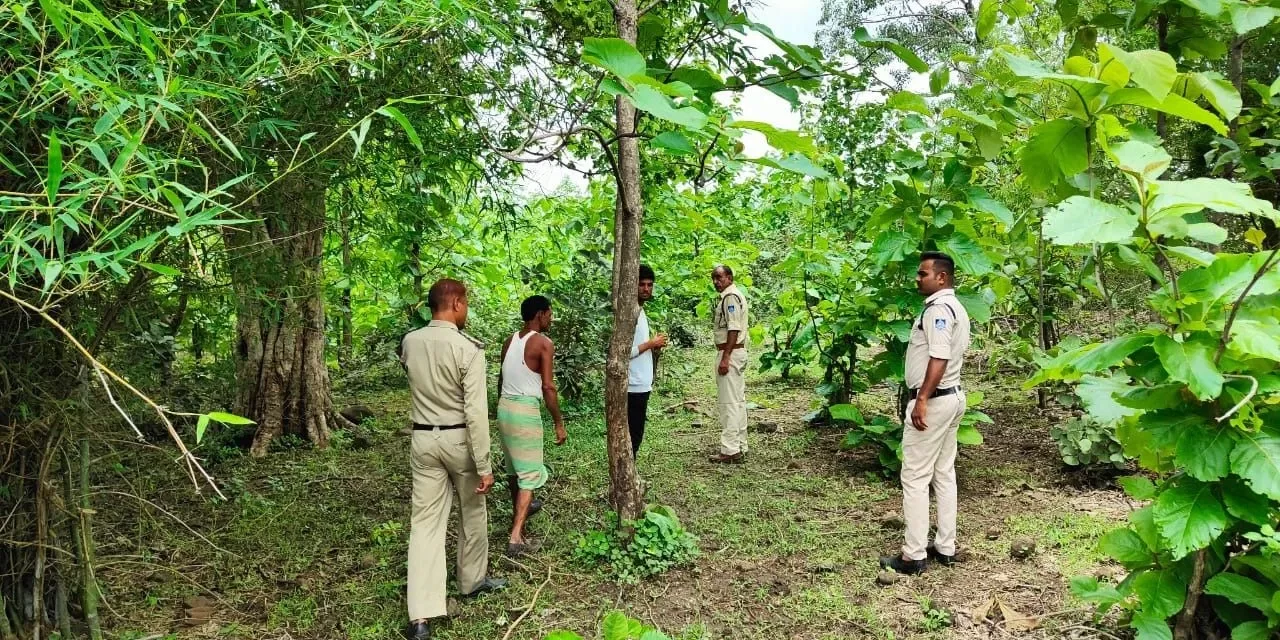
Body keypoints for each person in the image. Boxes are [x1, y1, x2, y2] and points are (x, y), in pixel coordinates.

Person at [401, 279, 506, 640]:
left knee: (425, 524)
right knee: (473, 509)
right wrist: (485, 466)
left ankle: (420, 617)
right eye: (467, 304)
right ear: (457, 303)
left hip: (422, 439)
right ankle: (471, 581)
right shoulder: (468, 350)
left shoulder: (410, 342)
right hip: (460, 439)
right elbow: (476, 413)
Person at [880, 251, 972, 575]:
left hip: (935, 401)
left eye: (923, 274)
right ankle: (945, 545)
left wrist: (921, 398)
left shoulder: (938, 311)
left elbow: (939, 356)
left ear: (941, 278)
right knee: (944, 472)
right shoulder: (956, 307)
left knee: (916, 476)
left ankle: (913, 554)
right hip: (953, 397)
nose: (917, 279)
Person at [497, 295, 566, 557]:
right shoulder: (544, 343)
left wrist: (499, 409)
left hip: (505, 407)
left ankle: (519, 518)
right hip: (525, 409)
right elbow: (548, 386)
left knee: (514, 470)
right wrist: (558, 422)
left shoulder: (509, 341)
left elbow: (502, 378)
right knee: (530, 476)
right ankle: (516, 537)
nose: (551, 318)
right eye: (549, 313)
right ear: (539, 314)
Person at [708, 265, 749, 464]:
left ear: (730, 278)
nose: (716, 281)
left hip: (730, 352)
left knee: (729, 402)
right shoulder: (733, 295)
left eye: (719, 277)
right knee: (738, 400)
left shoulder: (730, 297)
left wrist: (725, 357)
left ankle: (731, 449)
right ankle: (740, 444)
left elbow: (733, 328)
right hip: (736, 352)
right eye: (713, 278)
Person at [629, 264, 668, 459]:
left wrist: (654, 346)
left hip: (643, 383)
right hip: (632, 385)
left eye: (649, 285)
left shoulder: (641, 311)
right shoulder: (629, 314)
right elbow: (623, 352)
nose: (646, 289)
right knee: (632, 436)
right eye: (641, 284)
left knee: (637, 434)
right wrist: (650, 343)